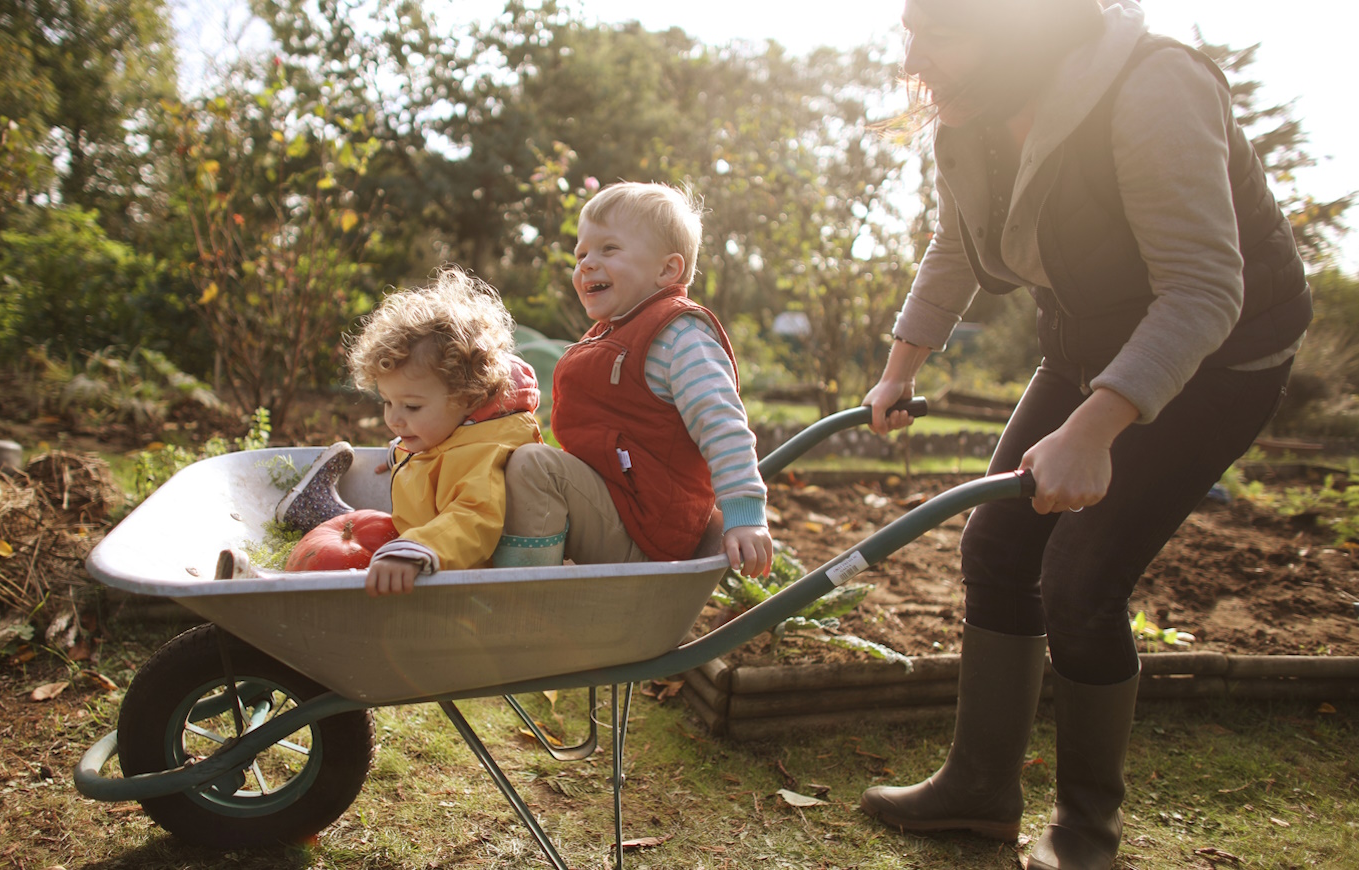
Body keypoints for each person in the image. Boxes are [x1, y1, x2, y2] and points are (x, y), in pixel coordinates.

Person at [856, 2, 1309, 869]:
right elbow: (955, 243)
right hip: (1086, 337)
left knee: (1080, 581)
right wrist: (899, 369)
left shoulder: (1152, 86)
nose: (916, 56)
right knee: (996, 548)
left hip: (1220, 357)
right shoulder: (975, 113)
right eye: (910, 30)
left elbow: (1204, 291)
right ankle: (981, 787)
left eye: (943, 31)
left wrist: (1094, 429)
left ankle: (1086, 828)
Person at [492, 181, 774, 579]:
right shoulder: (613, 332)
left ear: (667, 269)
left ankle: (522, 603)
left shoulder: (680, 337)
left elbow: (721, 423)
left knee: (536, 467)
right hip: (618, 510)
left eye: (609, 249)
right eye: (581, 254)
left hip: (648, 533)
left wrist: (744, 513)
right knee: (508, 460)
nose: (587, 263)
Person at [274, 267, 544, 595]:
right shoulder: (449, 430)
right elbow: (441, 454)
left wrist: (414, 551)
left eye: (411, 407)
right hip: (417, 544)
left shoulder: (484, 457)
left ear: (467, 397)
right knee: (365, 534)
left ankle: (302, 537)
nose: (394, 420)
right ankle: (317, 515)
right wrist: (401, 453)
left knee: (360, 554)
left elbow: (472, 519)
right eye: (388, 402)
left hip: (448, 572)